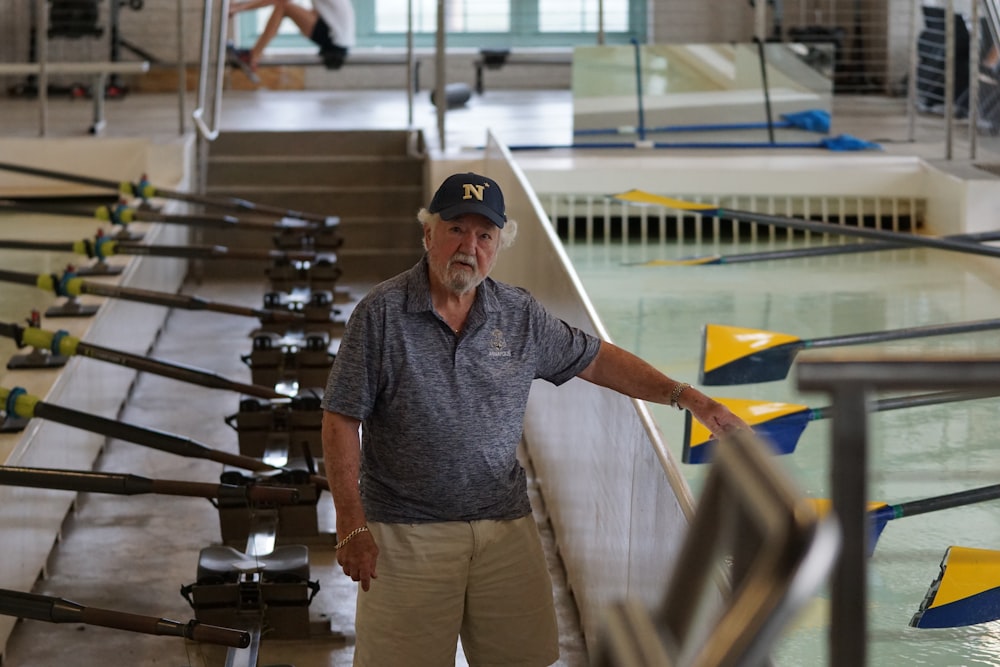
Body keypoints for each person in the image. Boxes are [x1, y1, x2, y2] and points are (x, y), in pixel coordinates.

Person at [320, 172, 750, 666]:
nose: (469, 246)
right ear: (428, 234)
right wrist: (351, 524)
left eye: (485, 236)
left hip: (504, 529)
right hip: (405, 533)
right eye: (456, 229)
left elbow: (597, 360)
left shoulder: (518, 314)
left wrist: (690, 398)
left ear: (498, 246)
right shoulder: (380, 314)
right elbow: (340, 420)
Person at [228, 0, 355, 71]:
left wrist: (239, 8)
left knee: (284, 6)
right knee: (287, 7)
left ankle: (253, 56)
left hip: (334, 39)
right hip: (337, 38)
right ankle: (254, 54)